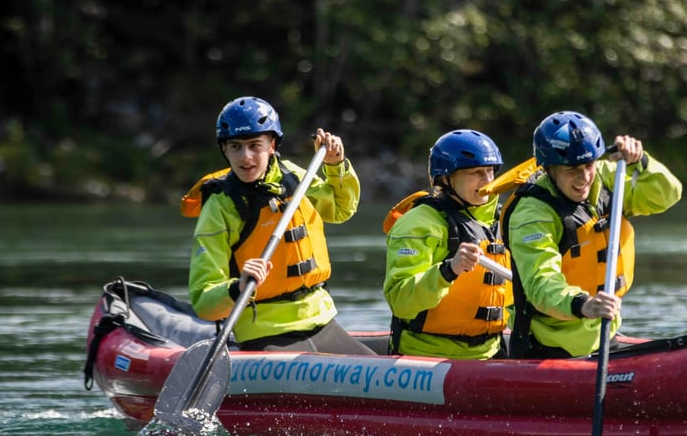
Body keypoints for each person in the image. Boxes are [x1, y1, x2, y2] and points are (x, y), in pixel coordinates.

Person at [185, 95, 375, 354]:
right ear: (224, 150)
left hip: (320, 321)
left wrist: (335, 165)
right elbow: (204, 300)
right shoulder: (220, 206)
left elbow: (341, 209)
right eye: (236, 147)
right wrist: (237, 286)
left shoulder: (293, 177)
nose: (246, 157)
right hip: (263, 328)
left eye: (255, 145)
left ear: (272, 145)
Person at [502, 110, 682, 359]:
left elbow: (666, 195)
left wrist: (641, 162)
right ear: (550, 169)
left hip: (604, 335)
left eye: (588, 165)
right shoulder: (532, 214)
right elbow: (540, 283)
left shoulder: (608, 178)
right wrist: (583, 304)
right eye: (572, 169)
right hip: (547, 347)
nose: (584, 177)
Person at [383, 129, 512, 359]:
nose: (487, 180)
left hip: (491, 352)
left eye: (490, 171)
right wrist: (448, 270)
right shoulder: (417, 223)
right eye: (475, 172)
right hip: (427, 356)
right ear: (446, 178)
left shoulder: (503, 221)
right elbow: (401, 301)